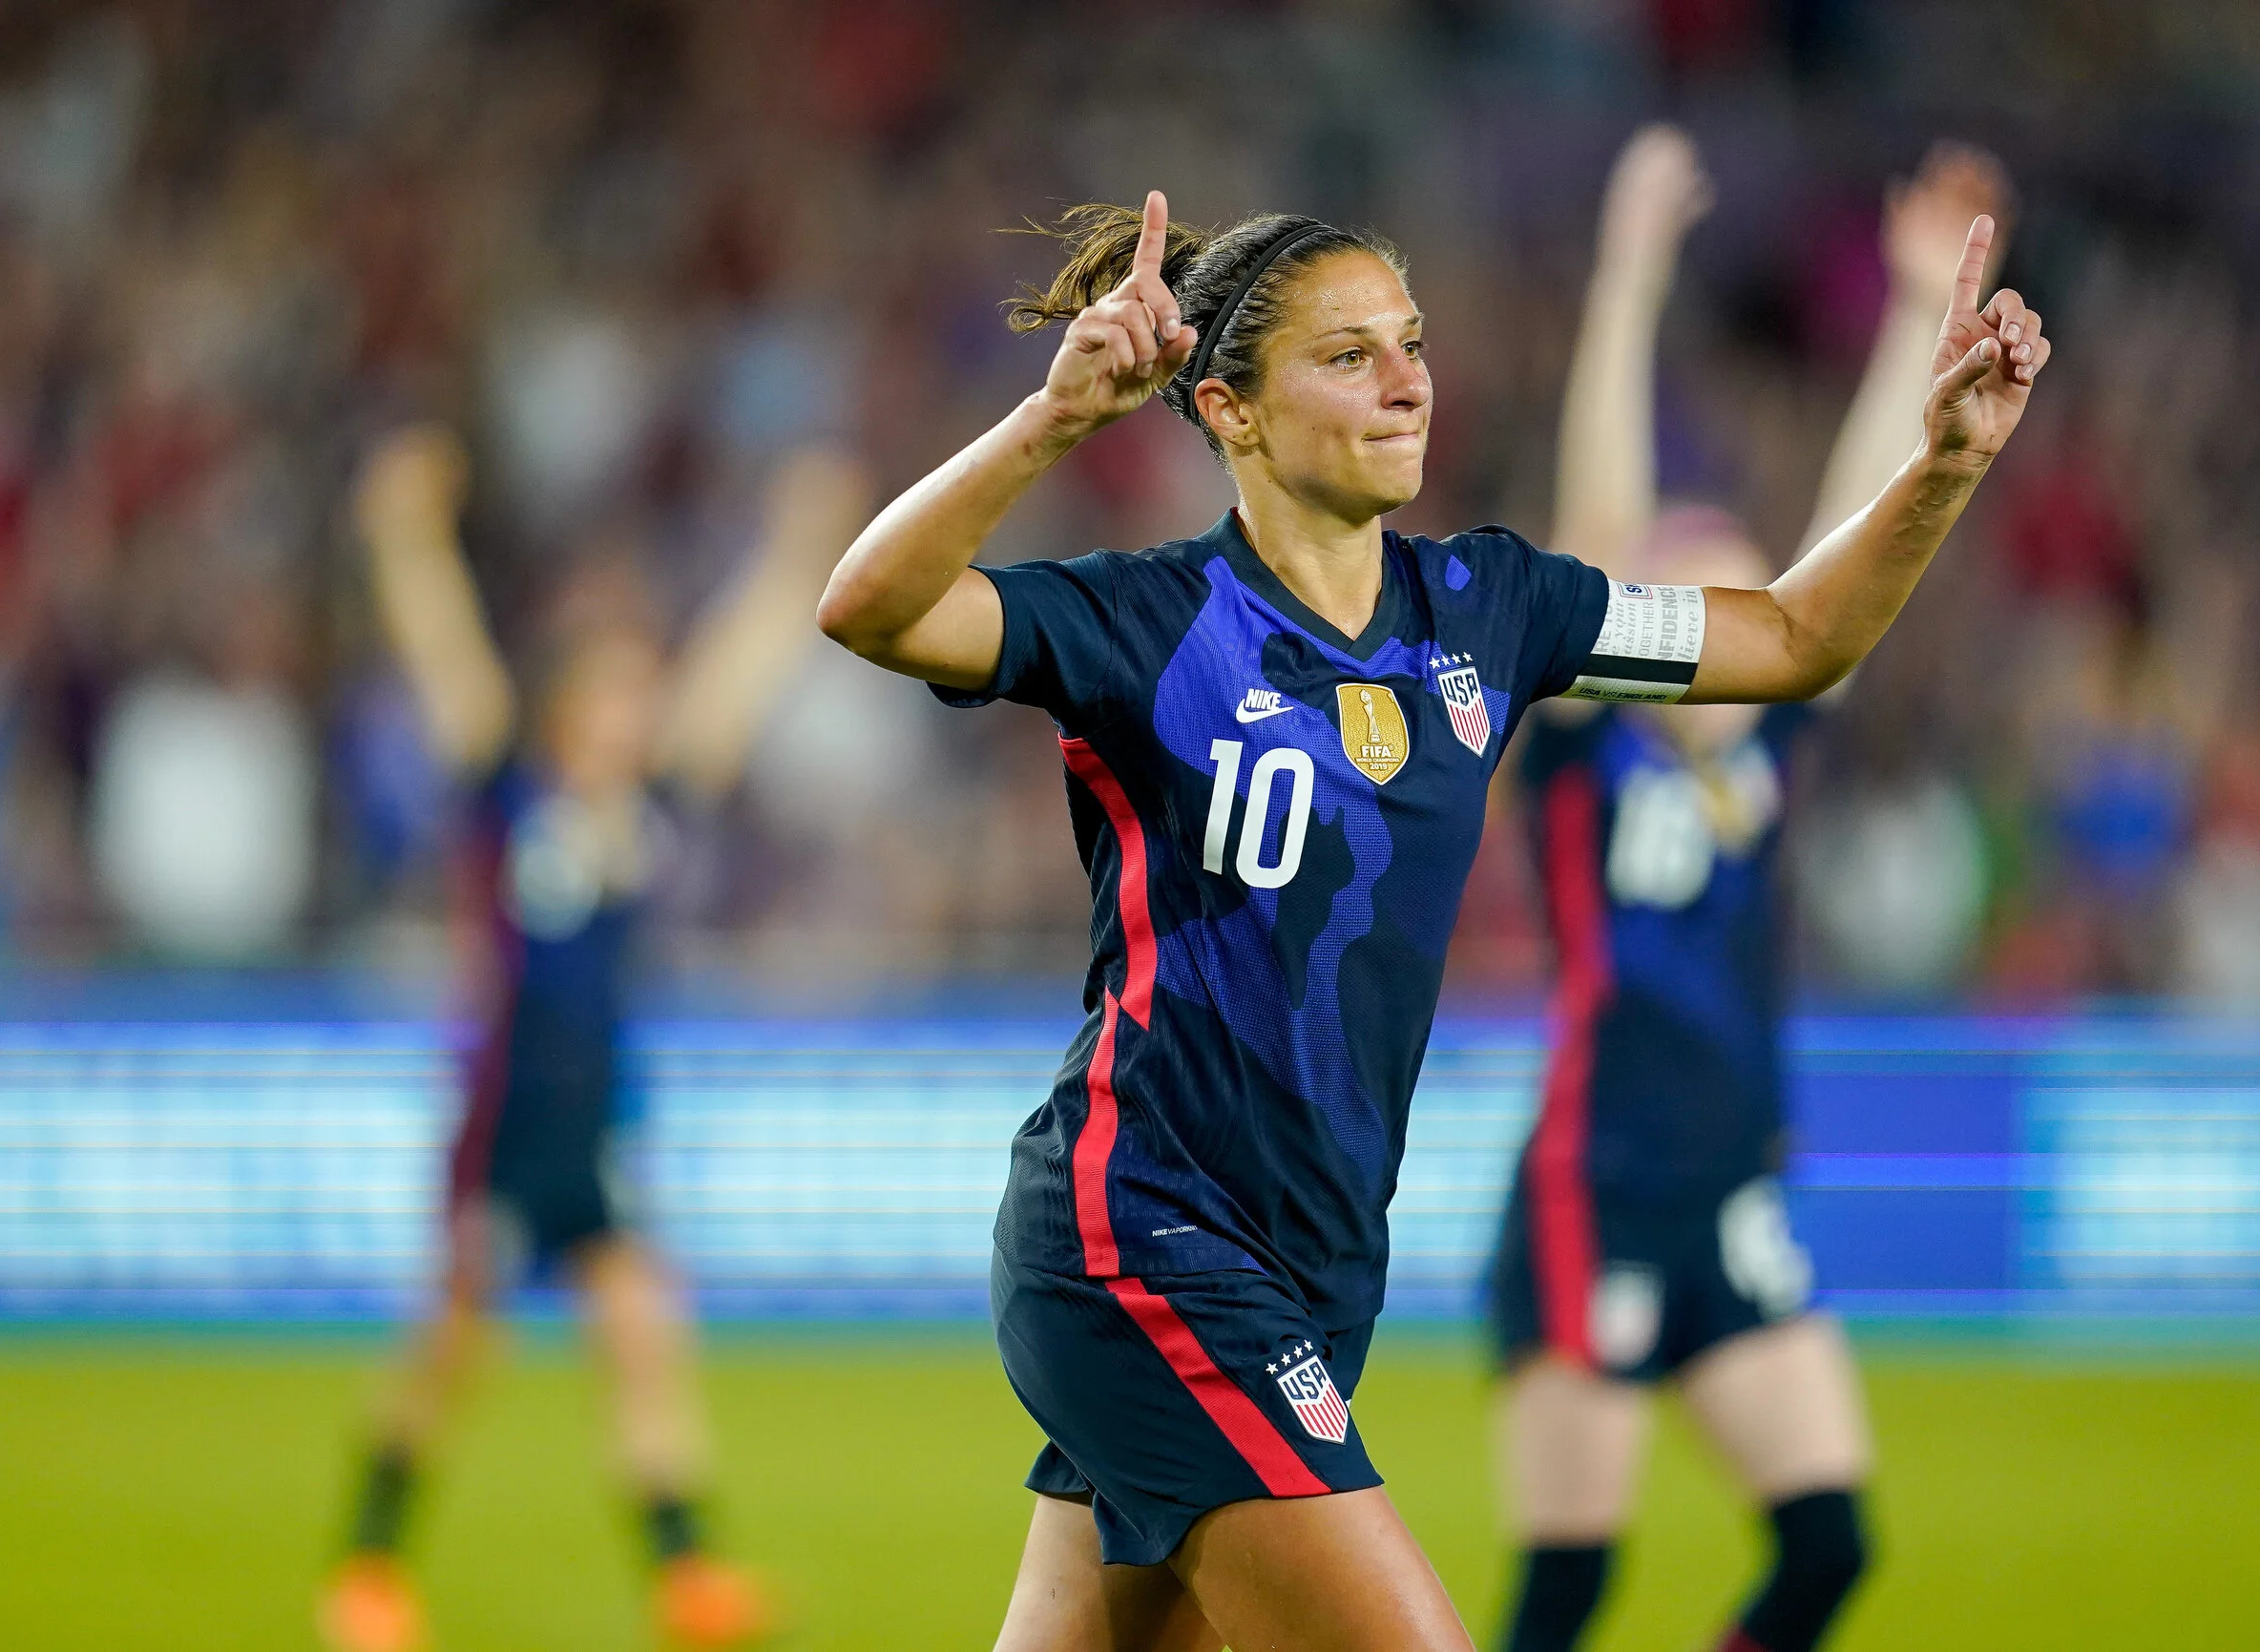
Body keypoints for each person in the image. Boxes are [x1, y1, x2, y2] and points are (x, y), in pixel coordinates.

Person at [815, 183, 2044, 1652]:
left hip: (1318, 1258)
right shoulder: (1147, 621)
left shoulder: (1493, 608)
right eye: (1348, 355)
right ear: (1232, 410)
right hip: (1144, 1232)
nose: (1407, 379)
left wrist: (1947, 462)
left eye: (1411, 341)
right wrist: (1052, 422)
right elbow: (871, 607)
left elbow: (1788, 633)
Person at [1485, 130, 2013, 1652]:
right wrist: (1630, 274)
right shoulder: (1589, 751)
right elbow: (1594, 533)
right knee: (1570, 1585)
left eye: (1739, 594)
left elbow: (1853, 551)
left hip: (1733, 1189)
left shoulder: (1772, 736)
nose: (1728, 621)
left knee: (1829, 1546)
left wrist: (1923, 313)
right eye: (1691, 600)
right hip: (1599, 1187)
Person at [318, 429, 868, 1652]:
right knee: (450, 1355)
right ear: (569, 708)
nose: (639, 711)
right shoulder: (505, 791)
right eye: (617, 693)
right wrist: (405, 535)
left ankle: (687, 1581)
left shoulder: (656, 811)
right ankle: (363, 1567)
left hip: (601, 1124)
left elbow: (739, 674)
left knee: (643, 1341)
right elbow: (445, 653)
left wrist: (795, 549)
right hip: (504, 1127)